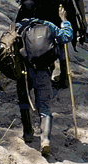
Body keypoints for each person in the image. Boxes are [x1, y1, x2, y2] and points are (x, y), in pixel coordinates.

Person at [14, 14, 73, 155]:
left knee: (24, 102)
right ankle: (45, 140)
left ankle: (28, 133)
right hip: (43, 72)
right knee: (45, 107)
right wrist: (65, 22)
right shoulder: (48, 25)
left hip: (24, 72)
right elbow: (66, 37)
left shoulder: (20, 27)